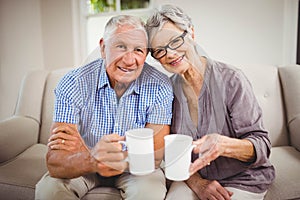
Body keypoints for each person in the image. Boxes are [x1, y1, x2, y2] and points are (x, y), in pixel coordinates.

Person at [35, 15, 173, 200]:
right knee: (49, 190)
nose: (129, 60)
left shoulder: (159, 86)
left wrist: (86, 150)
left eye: (138, 50)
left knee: (149, 191)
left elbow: (154, 156)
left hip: (134, 171)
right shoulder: (73, 83)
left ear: (146, 54)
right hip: (83, 166)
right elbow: (55, 163)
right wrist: (90, 158)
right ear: (103, 47)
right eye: (121, 46)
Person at [146, 4, 275, 200]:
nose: (170, 54)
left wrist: (224, 145)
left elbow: (262, 145)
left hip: (243, 178)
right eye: (159, 50)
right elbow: (172, 151)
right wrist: (198, 183)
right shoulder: (166, 91)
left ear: (191, 33)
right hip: (193, 177)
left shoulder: (232, 80)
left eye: (175, 41)